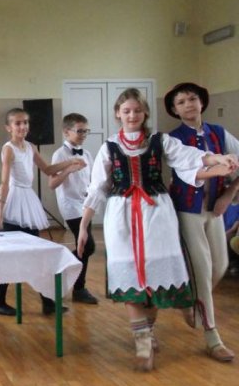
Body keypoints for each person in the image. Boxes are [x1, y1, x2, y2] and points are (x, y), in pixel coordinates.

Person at [77, 88, 236, 371]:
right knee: (129, 277)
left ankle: (150, 330)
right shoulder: (109, 147)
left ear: (145, 113)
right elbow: (98, 187)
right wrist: (84, 226)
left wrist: (217, 160)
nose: (132, 115)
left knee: (156, 278)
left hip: (157, 215)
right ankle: (142, 342)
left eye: (137, 110)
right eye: (126, 111)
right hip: (121, 217)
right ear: (118, 114)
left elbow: (189, 157)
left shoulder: (159, 141)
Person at [165, 82, 239, 362]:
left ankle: (189, 300)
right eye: (181, 102)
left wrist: (229, 194)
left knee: (219, 266)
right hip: (187, 211)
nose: (188, 105)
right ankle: (213, 338)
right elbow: (187, 171)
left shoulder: (219, 133)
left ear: (202, 102)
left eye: (192, 99)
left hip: (214, 210)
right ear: (175, 109)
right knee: (201, 270)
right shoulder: (172, 139)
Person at [0, 108, 85, 316]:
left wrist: (70, 163)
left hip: (28, 201)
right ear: (8, 128)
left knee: (37, 253)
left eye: (25, 122)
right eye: (17, 123)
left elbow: (48, 170)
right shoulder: (8, 149)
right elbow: (5, 183)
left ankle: (47, 301)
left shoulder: (31, 147)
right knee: (10, 255)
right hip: (14, 201)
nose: (23, 126)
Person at [49, 113, 98, 305]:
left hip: (85, 204)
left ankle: (79, 288)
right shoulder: (59, 154)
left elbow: (92, 180)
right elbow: (52, 184)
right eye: (80, 131)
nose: (84, 134)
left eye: (86, 131)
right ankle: (60, 269)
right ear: (66, 132)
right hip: (70, 205)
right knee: (88, 245)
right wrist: (68, 169)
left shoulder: (87, 154)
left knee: (83, 245)